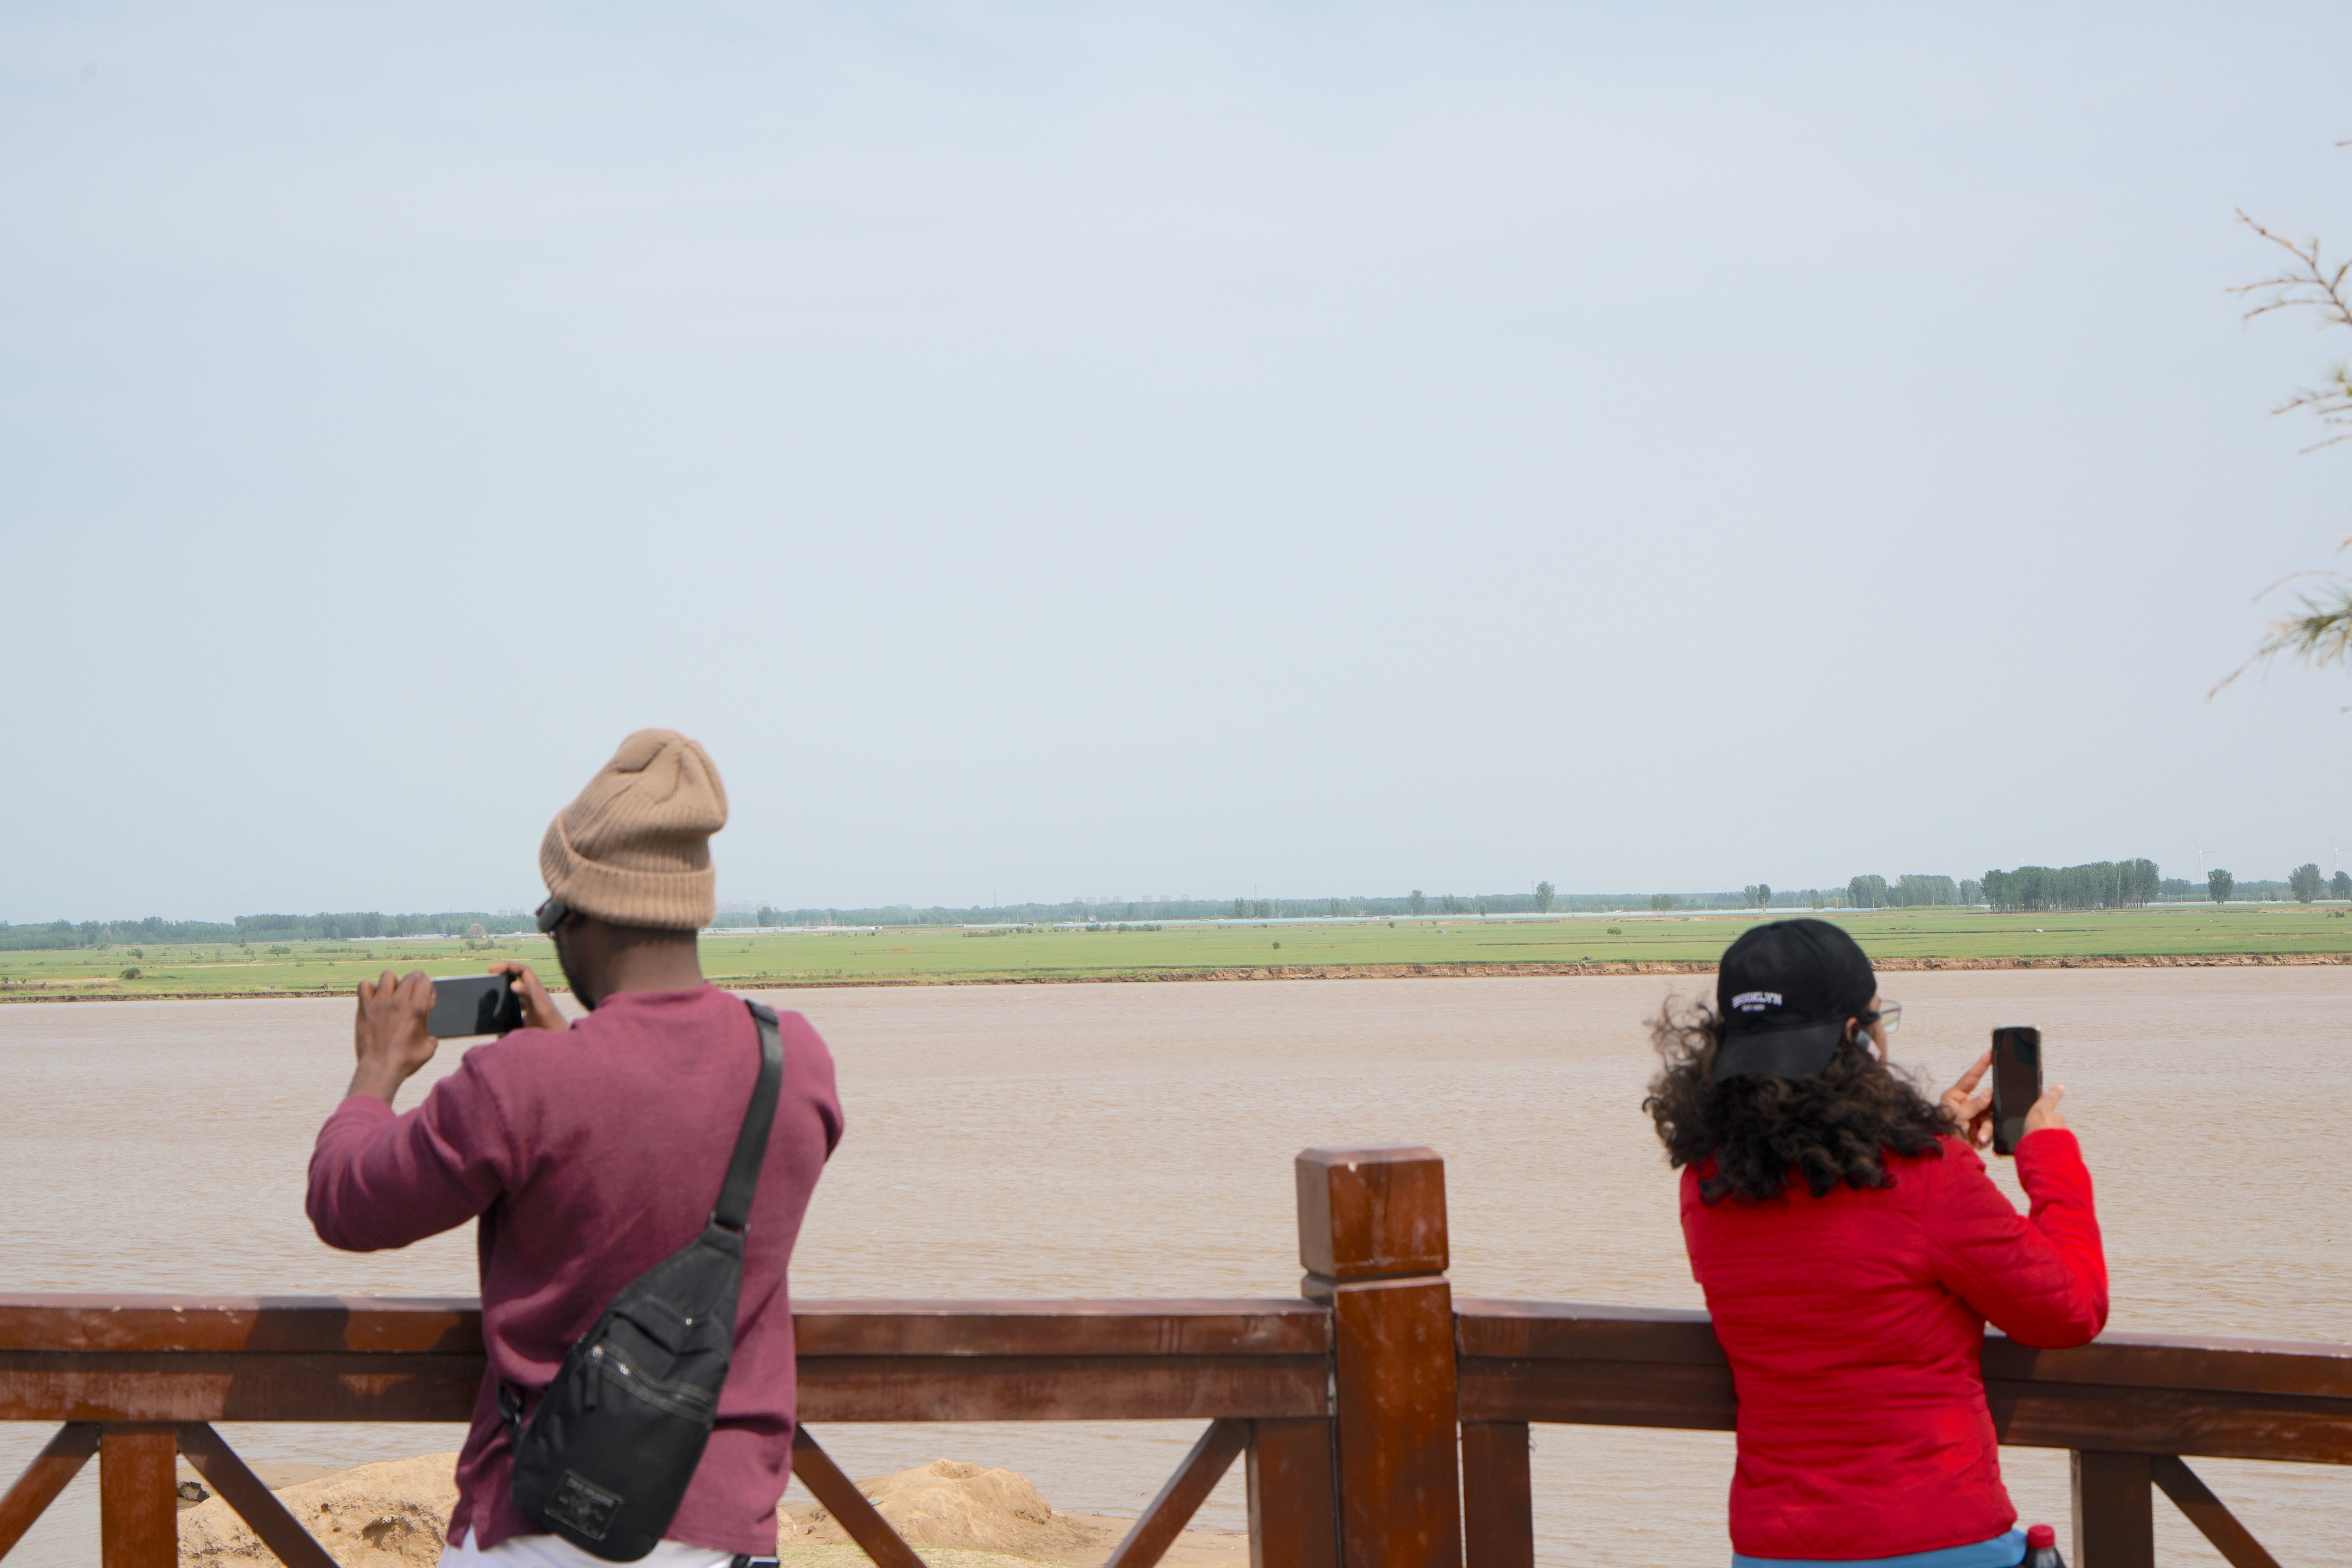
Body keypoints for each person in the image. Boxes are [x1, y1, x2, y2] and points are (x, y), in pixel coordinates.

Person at [308, 730, 844, 1568]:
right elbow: (670, 1121)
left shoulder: (521, 1084)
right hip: (723, 1531)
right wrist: (572, 1048)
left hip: (545, 1522)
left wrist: (377, 1071)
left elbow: (345, 1203)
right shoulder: (797, 1058)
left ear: (579, 914)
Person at [1644, 918, 2105, 1568]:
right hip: (1940, 1542)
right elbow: (2070, 1309)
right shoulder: (1927, 1175)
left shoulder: (1707, 1184)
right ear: (1857, 1037)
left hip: (1773, 1548)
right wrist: (2047, 1152)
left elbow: (1831, 1222)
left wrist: (1932, 1130)